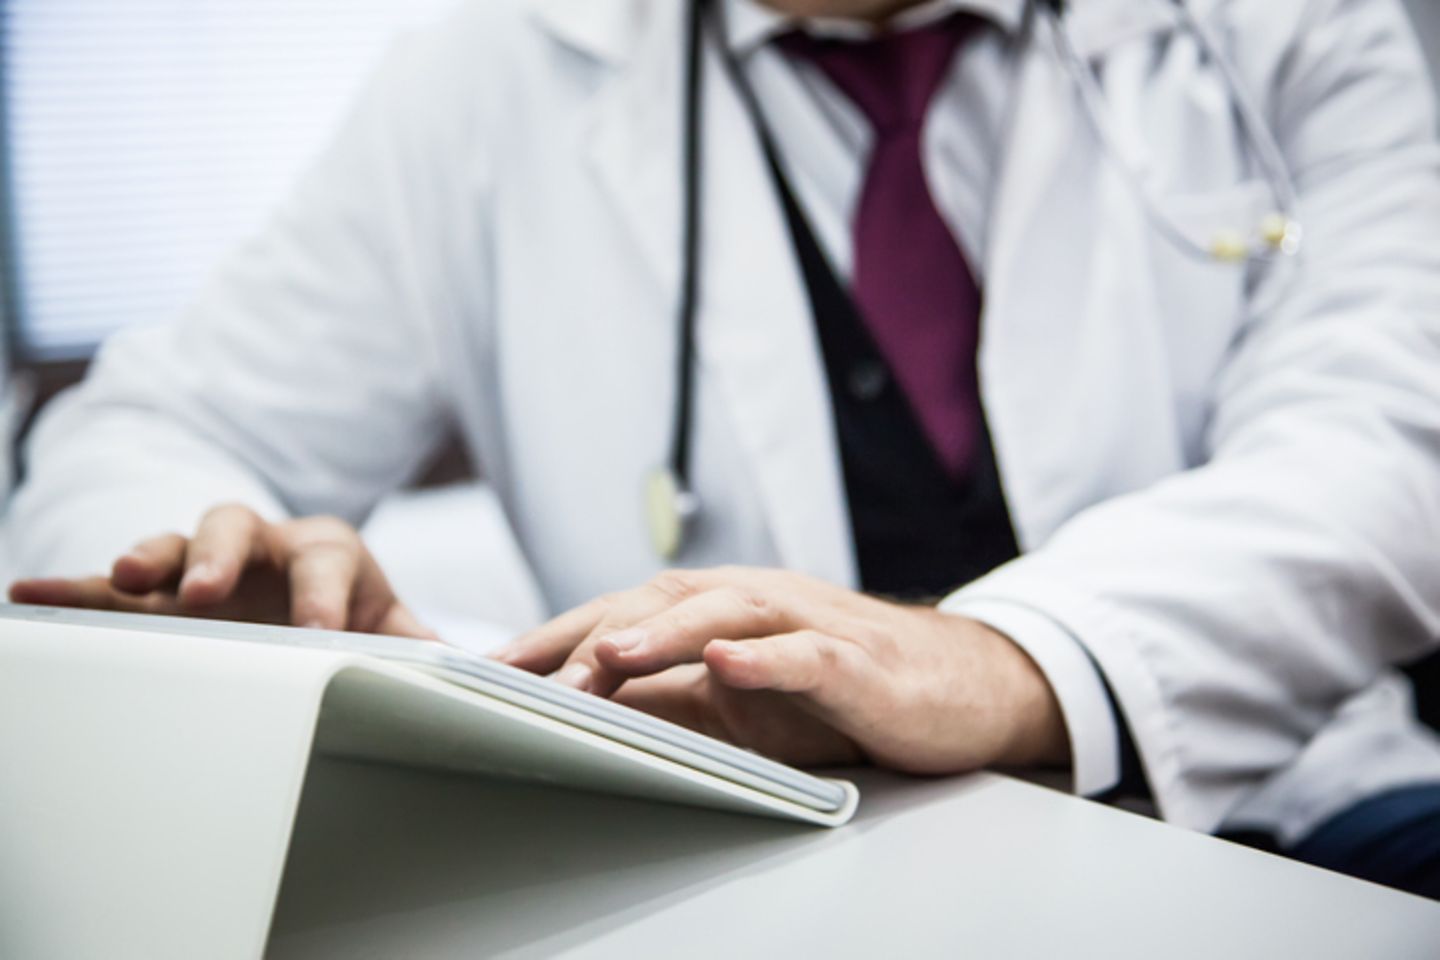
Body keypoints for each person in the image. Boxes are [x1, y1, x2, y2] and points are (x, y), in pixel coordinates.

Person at [10, 0, 1440, 896]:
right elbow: (147, 428)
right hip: (757, 874)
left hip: (1301, 803)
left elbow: (1389, 437)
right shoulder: (490, 80)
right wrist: (214, 594)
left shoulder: (1280, 27)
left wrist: (1012, 665)